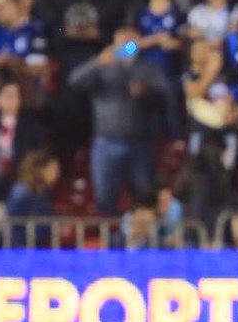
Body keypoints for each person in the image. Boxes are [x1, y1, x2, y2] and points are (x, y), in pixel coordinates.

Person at [68, 25, 173, 215]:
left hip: (139, 143)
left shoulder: (148, 67)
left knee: (144, 198)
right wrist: (97, 62)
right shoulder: (103, 66)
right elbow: (75, 81)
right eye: (120, 40)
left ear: (138, 41)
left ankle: (143, 242)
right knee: (105, 199)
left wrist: (145, 94)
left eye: (129, 40)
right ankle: (112, 242)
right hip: (106, 142)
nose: (125, 44)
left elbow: (165, 97)